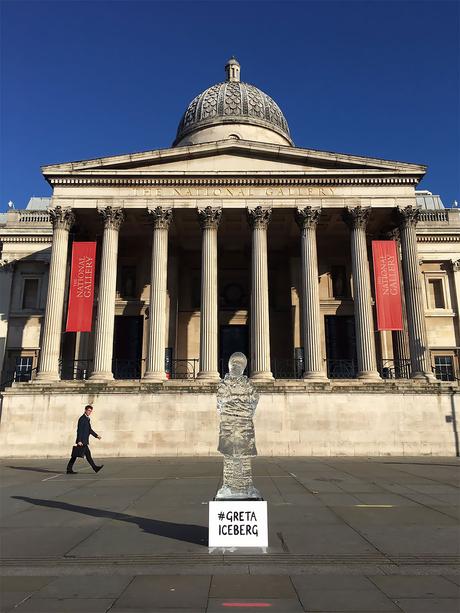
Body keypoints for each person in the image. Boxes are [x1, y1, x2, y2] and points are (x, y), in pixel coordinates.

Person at [66, 405, 104, 474]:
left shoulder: (87, 419)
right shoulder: (82, 419)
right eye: (89, 411)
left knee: (76, 455)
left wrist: (96, 436)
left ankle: (69, 469)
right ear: (85, 410)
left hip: (84, 441)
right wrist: (79, 440)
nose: (89, 412)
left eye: (90, 411)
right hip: (82, 441)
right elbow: (79, 430)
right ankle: (95, 468)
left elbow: (89, 430)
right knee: (82, 455)